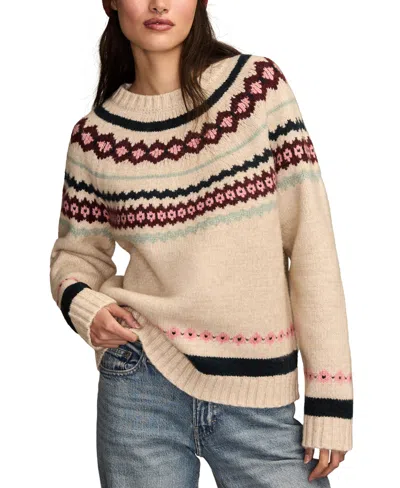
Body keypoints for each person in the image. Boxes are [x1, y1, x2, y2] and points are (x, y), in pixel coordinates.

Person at [49, 1, 354, 486]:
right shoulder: (94, 138)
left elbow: (311, 242)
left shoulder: (255, 91)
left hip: (259, 396)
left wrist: (330, 396)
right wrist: (87, 306)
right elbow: (77, 254)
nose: (159, 4)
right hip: (140, 379)